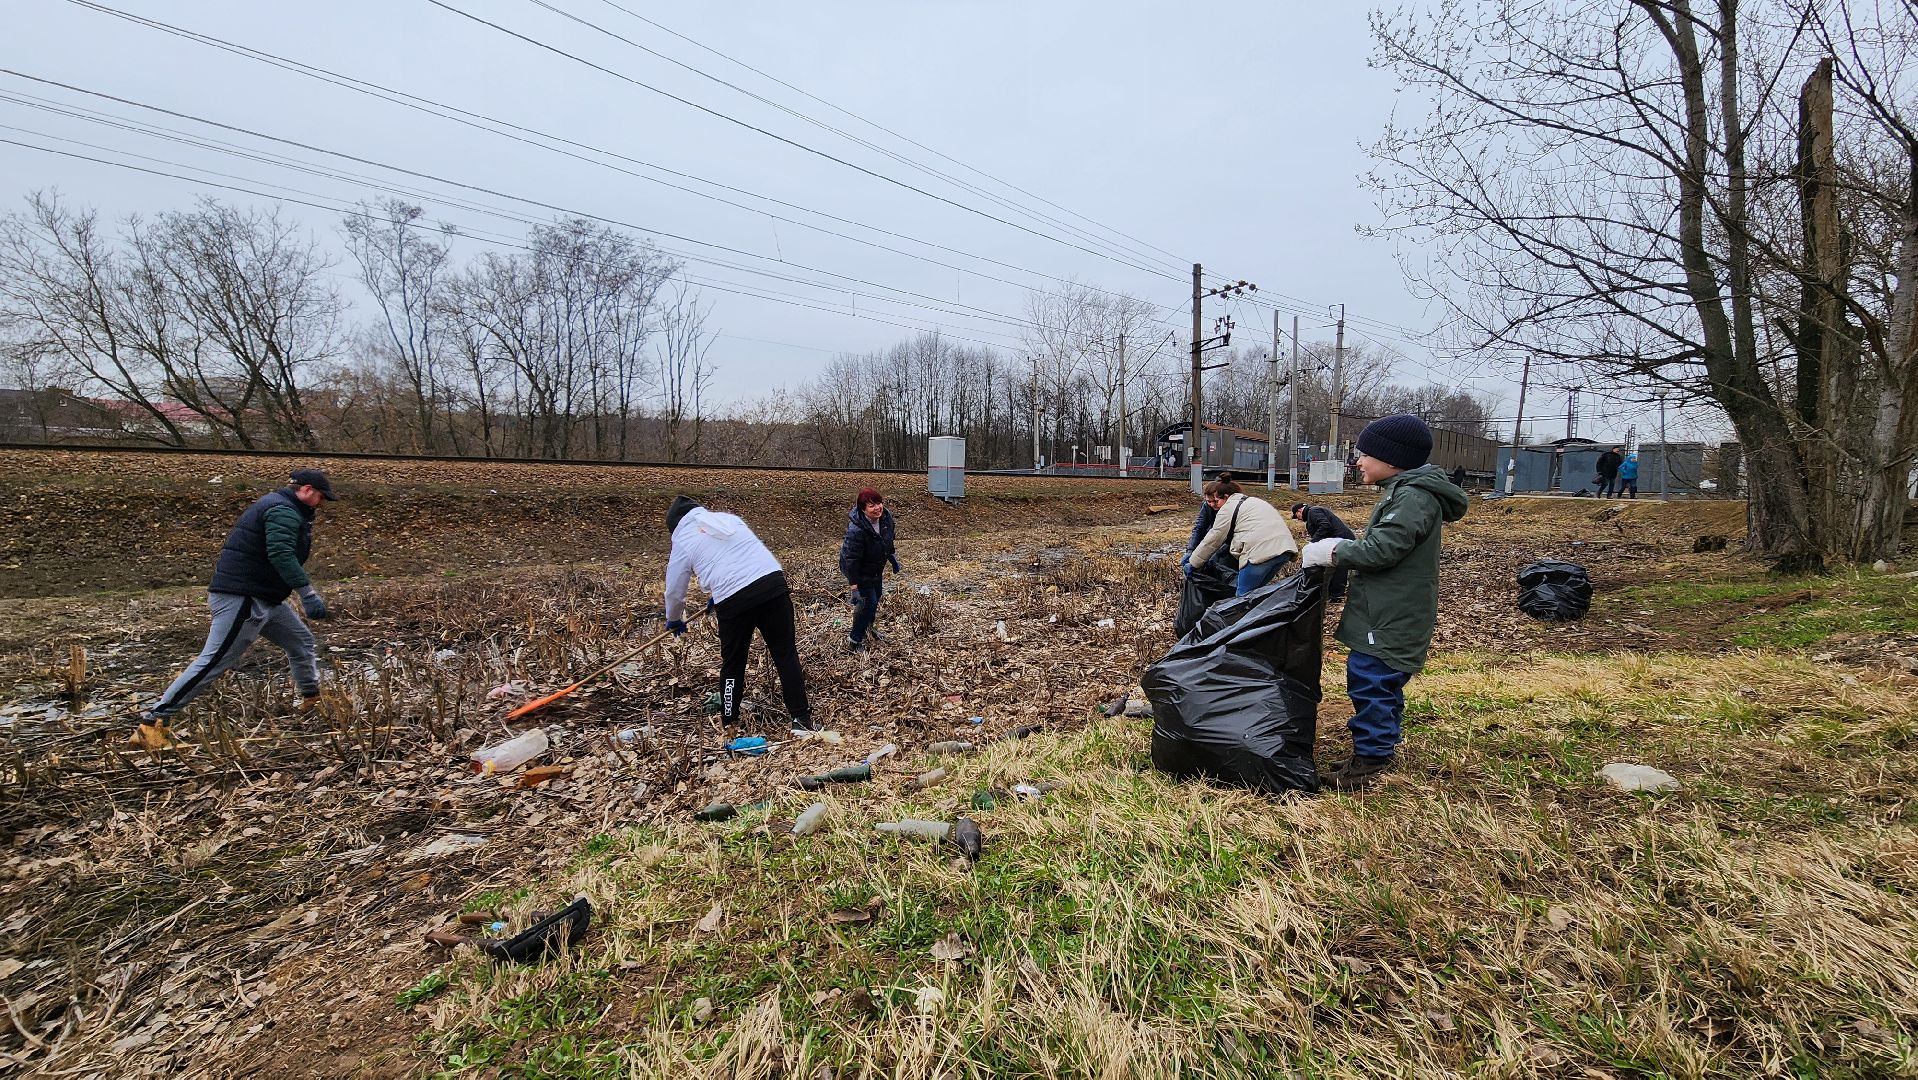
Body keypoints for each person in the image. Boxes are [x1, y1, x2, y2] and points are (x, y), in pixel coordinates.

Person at [1300, 415, 1468, 792]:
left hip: (1392, 614)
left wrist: (1334, 550)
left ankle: (1371, 761)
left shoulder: (1412, 497)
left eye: (1365, 454)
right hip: (1387, 609)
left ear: (1392, 460)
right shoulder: (1404, 491)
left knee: (1371, 681)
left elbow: (1382, 550)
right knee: (1378, 681)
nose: (1358, 461)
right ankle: (1376, 750)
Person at [139, 468, 336, 732]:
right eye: (321, 497)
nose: (321, 503)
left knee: (300, 642)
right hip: (243, 598)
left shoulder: (283, 507)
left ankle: (311, 699)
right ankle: (154, 721)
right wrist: (307, 593)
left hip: (265, 598)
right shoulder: (283, 511)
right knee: (214, 660)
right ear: (308, 490)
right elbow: (281, 555)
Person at [664, 495, 813, 732]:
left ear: (675, 526)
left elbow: (674, 589)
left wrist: (673, 618)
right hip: (772, 585)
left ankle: (729, 721)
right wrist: (716, 591)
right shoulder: (726, 519)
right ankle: (801, 719)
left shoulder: (682, 539)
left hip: (734, 602)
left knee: (733, 663)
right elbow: (745, 555)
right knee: (785, 654)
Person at [1188, 475, 1298, 595]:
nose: (1214, 506)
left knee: (1242, 598)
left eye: (1216, 500)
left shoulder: (1228, 508)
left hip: (1260, 553)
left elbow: (1213, 539)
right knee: (1255, 594)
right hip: (1284, 550)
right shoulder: (1253, 501)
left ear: (1225, 497)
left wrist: (1193, 563)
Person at [838, 487, 899, 652]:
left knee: (877, 596)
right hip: (858, 570)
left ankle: (868, 628)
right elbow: (851, 560)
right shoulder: (856, 530)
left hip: (875, 566)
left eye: (878, 503)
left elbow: (887, 540)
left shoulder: (886, 518)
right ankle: (854, 640)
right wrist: (854, 588)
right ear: (863, 509)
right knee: (867, 603)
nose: (877, 508)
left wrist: (891, 557)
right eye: (871, 505)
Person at [1290, 502, 1355, 602]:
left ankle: (1337, 595)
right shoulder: (1311, 517)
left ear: (1299, 511)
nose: (1298, 519)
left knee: (1339, 566)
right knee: (1331, 567)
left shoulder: (1313, 512)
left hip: (1341, 541)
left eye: (1296, 516)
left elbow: (1325, 525)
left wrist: (1313, 541)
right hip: (1334, 543)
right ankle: (1330, 593)